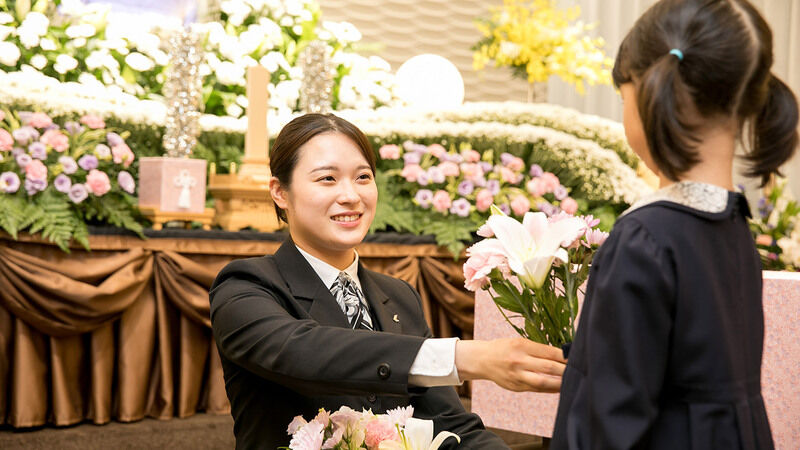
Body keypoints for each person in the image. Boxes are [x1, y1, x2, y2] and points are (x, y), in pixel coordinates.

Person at [209, 113, 567, 449]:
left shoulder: (398, 296)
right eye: (327, 178)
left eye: (362, 177)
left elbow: (451, 426)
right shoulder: (246, 286)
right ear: (280, 192)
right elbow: (304, 353)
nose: (350, 195)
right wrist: (463, 356)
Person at [551, 0, 798, 448]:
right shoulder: (735, 226)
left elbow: (608, 422)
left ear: (650, 91)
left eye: (623, 96)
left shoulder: (643, 239)